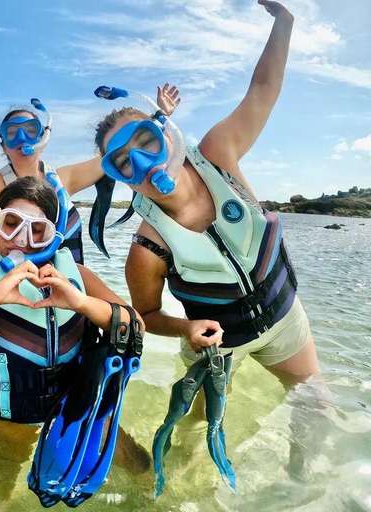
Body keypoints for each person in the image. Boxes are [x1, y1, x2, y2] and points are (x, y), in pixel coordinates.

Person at [89, 0, 321, 491]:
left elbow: (263, 91)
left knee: (314, 405)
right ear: (117, 177)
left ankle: (299, 489)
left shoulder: (220, 155)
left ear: (165, 135)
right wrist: (187, 327)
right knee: (195, 425)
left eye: (145, 142)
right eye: (123, 162)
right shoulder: (147, 247)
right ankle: (172, 489)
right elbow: (147, 316)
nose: (141, 164)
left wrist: (284, 22)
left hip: (283, 322)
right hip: (217, 348)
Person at [0, 176, 150, 504]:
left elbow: (135, 324)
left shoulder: (78, 277)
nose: (22, 240)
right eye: (10, 224)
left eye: (37, 229)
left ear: (54, 236)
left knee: (133, 462)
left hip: (77, 402)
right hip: (9, 413)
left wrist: (81, 303)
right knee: (2, 479)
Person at [0, 65, 182, 264]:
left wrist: (161, 119)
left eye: (30, 129)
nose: (22, 138)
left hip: (71, 294)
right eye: (12, 133)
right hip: (16, 292)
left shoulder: (64, 179)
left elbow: (124, 154)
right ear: (3, 146)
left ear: (43, 136)